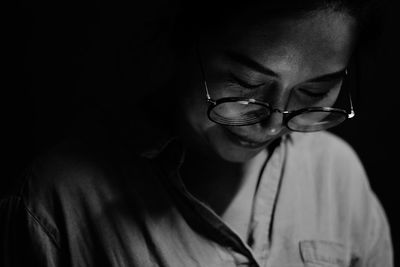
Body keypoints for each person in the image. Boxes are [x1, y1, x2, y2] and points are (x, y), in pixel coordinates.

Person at [1, 0, 393, 266]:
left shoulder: (337, 176)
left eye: (313, 92)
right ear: (183, 40)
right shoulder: (55, 202)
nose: (274, 124)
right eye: (244, 81)